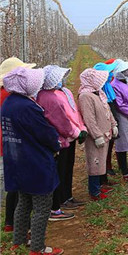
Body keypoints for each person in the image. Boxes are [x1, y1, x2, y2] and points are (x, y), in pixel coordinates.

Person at [1, 67, 64, 255]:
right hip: (35, 162)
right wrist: (56, 144)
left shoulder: (8, 103)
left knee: (23, 202)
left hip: (17, 161)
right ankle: (38, 247)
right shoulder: (28, 107)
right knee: (42, 207)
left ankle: (18, 241)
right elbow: (44, 133)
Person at [36, 66, 87, 221]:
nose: (62, 80)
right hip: (60, 139)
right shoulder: (48, 97)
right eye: (59, 78)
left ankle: (66, 197)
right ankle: (57, 204)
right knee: (60, 171)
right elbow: (61, 121)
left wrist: (80, 128)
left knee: (67, 168)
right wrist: (75, 132)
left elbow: (73, 113)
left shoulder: (62, 93)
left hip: (67, 137)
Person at [0, 57, 35, 233]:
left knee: (13, 184)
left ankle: (10, 222)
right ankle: (19, 226)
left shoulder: (4, 94)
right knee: (18, 186)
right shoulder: (10, 96)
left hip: (6, 143)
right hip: (12, 145)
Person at [78, 68, 118, 201]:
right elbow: (89, 119)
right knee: (94, 162)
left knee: (101, 161)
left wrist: (113, 124)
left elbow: (107, 110)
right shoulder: (85, 96)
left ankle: (100, 185)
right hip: (96, 137)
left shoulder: (98, 93)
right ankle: (94, 191)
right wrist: (97, 136)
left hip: (105, 133)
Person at [93, 61, 119, 178]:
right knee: (104, 147)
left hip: (112, 120)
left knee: (110, 144)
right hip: (103, 124)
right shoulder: (97, 92)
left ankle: (107, 166)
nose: (111, 75)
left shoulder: (108, 87)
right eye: (108, 73)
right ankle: (103, 170)